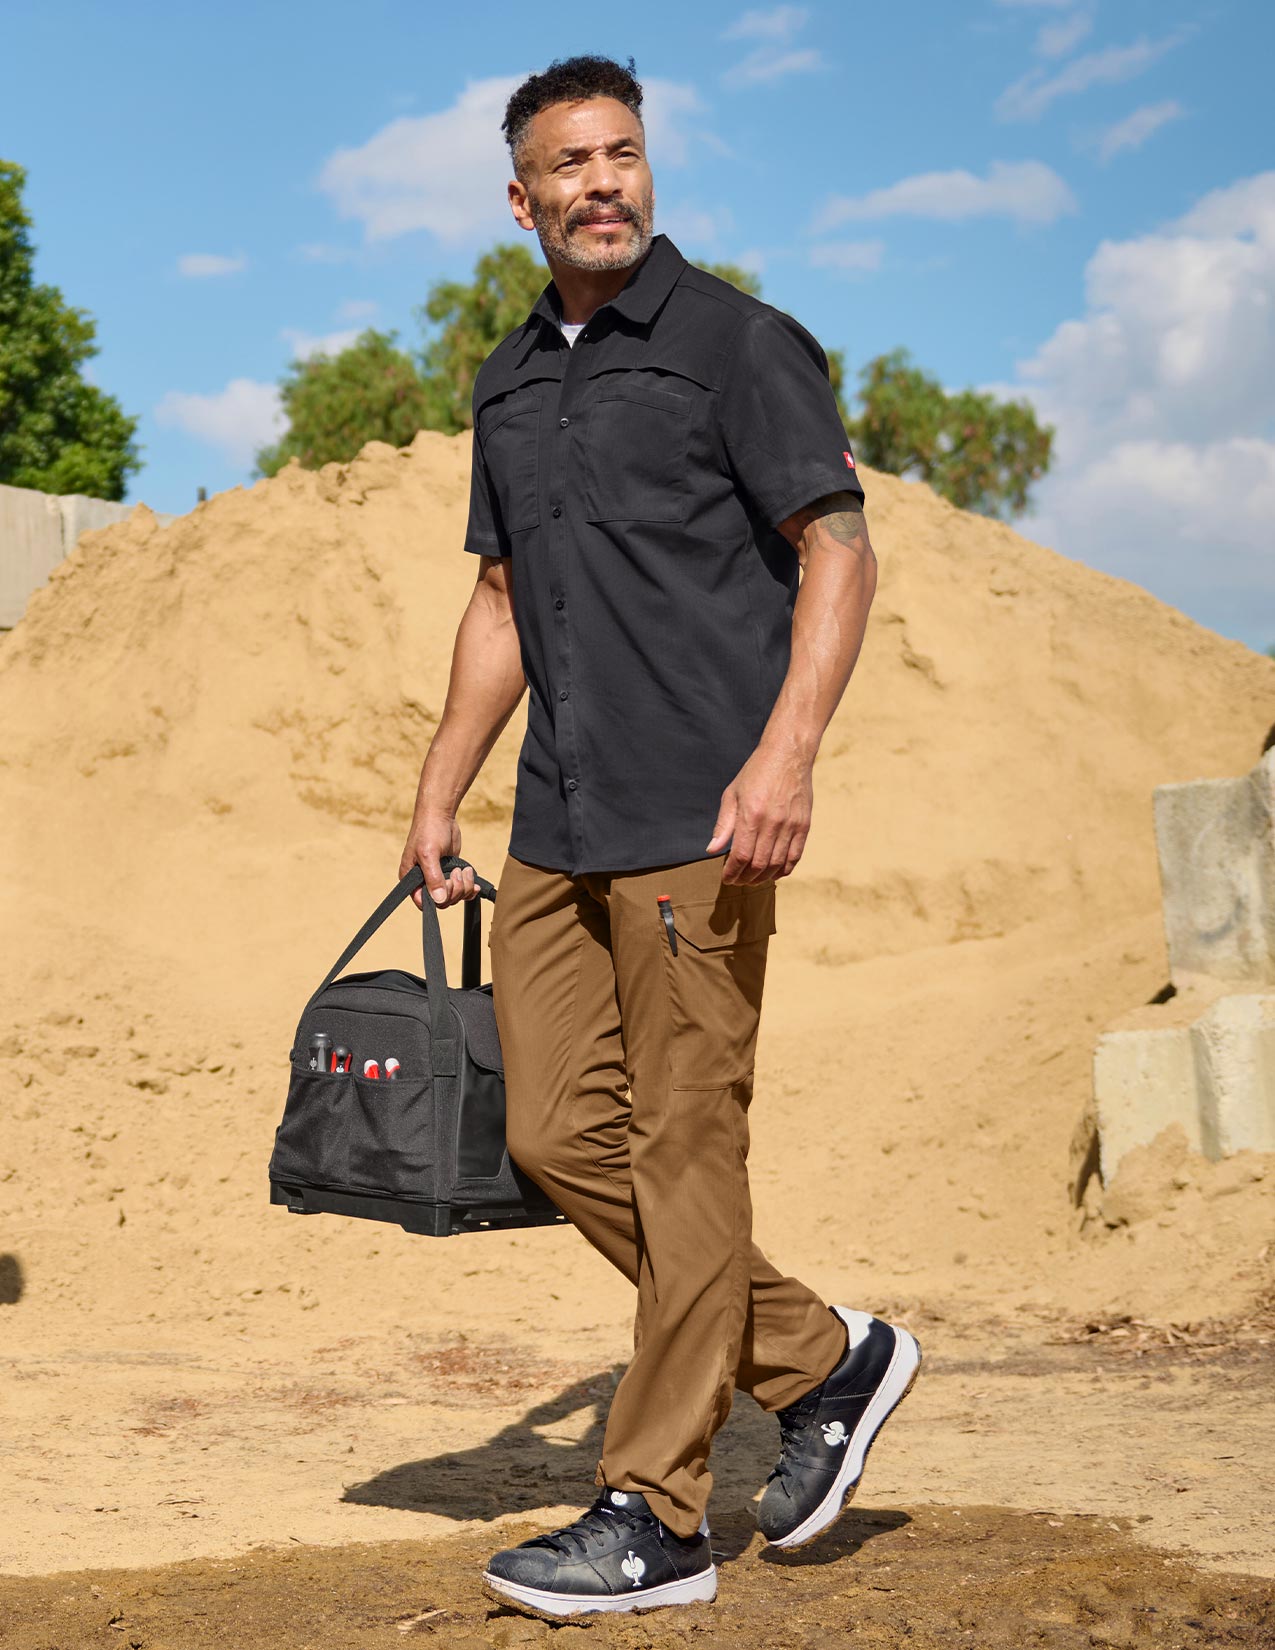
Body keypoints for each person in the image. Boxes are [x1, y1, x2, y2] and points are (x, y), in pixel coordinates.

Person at [399, 53, 920, 1619]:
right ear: (523, 198)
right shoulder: (507, 379)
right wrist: (441, 786)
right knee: (558, 1135)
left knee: (690, 1149)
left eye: (624, 153)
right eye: (570, 163)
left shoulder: (737, 346)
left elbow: (840, 551)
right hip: (558, 824)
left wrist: (787, 755)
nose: (602, 182)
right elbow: (500, 598)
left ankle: (657, 1510)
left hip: (707, 814)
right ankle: (828, 1357)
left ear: (651, 170)